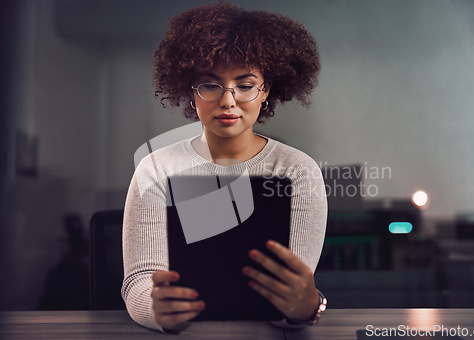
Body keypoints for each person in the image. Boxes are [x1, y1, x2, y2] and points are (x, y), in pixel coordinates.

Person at [122, 2, 327, 333]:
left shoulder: (298, 171)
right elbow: (139, 283)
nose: (228, 100)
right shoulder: (157, 168)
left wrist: (305, 309)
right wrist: (156, 307)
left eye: (245, 85)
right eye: (210, 84)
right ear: (191, 91)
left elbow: (288, 299)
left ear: (266, 91)